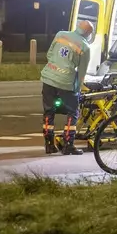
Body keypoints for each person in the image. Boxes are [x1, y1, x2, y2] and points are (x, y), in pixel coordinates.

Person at [40, 20, 94, 155]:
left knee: (49, 111)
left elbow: (49, 54)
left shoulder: (60, 34)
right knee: (73, 112)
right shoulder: (85, 47)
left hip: (48, 78)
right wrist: (79, 87)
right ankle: (68, 145)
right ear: (88, 33)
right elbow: (82, 72)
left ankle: (49, 145)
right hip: (65, 82)